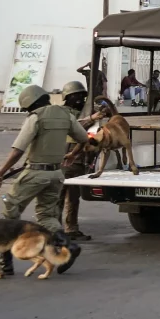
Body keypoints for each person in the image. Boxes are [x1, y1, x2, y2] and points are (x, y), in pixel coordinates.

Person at [0, 85, 85, 276]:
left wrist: (0, 173)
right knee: (46, 215)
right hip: (56, 174)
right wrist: (72, 154)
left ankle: (6, 265)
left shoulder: (36, 117)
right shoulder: (66, 115)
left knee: (9, 212)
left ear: (31, 104)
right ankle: (68, 245)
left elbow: (18, 150)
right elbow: (84, 138)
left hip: (35, 172)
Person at [59, 81, 104, 242]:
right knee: (58, 197)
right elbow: (74, 126)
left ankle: (71, 228)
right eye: (75, 96)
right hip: (62, 160)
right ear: (68, 97)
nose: (79, 99)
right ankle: (55, 230)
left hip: (76, 161)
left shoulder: (84, 111)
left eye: (81, 96)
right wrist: (91, 118)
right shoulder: (63, 113)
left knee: (73, 197)